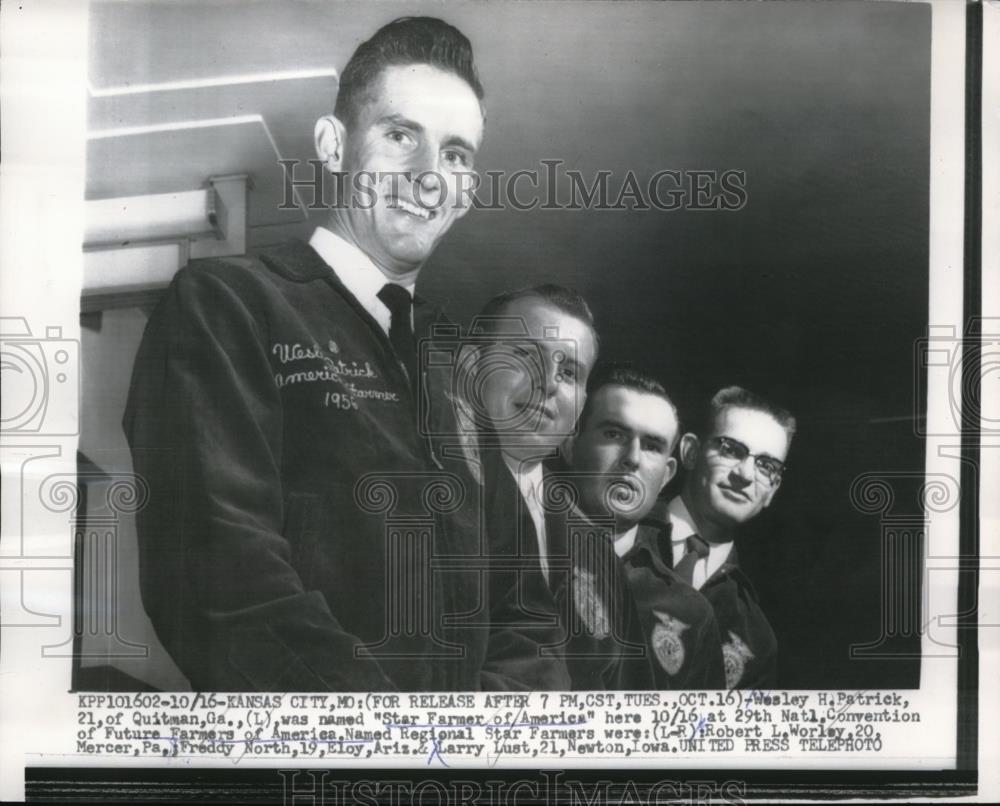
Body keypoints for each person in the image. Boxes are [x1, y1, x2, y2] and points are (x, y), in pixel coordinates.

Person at [123, 17, 567, 692]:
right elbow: (219, 579)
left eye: (455, 155)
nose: (428, 178)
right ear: (334, 145)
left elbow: (527, 618)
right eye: (399, 136)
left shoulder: (455, 368)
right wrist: (401, 755)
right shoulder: (228, 304)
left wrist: (477, 760)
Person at [466, 289, 657, 689]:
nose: (549, 384)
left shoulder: (595, 550)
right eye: (526, 356)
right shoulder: (420, 500)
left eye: (569, 372)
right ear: (472, 366)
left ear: (581, 403)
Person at [566, 364, 726, 689]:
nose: (633, 458)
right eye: (614, 434)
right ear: (572, 446)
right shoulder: (521, 559)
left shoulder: (691, 613)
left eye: (652, 445)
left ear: (667, 475)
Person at [665, 385, 796, 689]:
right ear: (691, 452)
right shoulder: (614, 535)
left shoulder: (756, 637)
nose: (746, 474)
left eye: (766, 465)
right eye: (730, 449)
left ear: (772, 491)